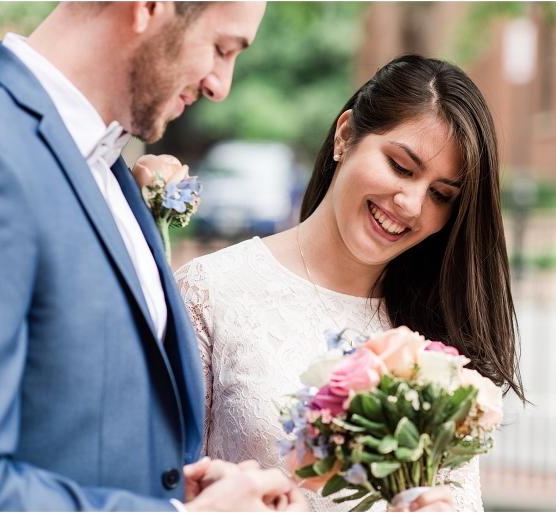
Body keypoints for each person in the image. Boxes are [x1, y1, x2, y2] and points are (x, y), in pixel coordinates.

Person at [0, 2, 308, 511]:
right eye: (221, 48)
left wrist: (175, 489)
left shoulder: (106, 167)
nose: (221, 86)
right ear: (148, 7)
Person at [174, 54, 524, 511]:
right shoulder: (210, 290)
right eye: (401, 166)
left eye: (441, 195)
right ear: (345, 136)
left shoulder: (434, 336)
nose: (412, 204)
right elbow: (165, 489)